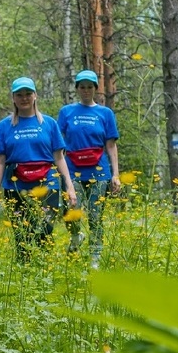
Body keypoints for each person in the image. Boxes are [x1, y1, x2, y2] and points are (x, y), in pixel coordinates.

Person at [0, 77, 78, 262]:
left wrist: (69, 186)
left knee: (45, 228)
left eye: (28, 93)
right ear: (13, 98)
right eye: (19, 95)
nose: (24, 98)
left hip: (48, 181)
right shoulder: (5, 126)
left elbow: (59, 157)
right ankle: (26, 270)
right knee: (22, 232)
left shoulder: (49, 123)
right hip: (15, 184)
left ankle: (44, 267)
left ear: (35, 95)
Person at [57, 69, 121, 268]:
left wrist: (116, 174)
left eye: (89, 87)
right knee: (71, 211)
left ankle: (95, 256)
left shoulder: (105, 113)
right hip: (73, 169)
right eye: (82, 87)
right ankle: (76, 236)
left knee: (95, 215)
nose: (86, 90)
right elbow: (58, 144)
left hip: (99, 171)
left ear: (95, 89)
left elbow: (111, 145)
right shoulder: (66, 112)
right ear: (77, 89)